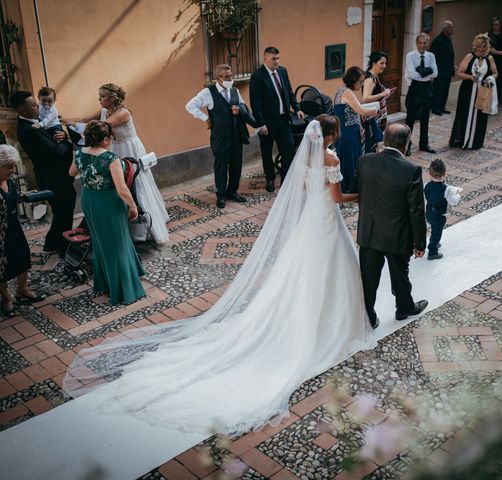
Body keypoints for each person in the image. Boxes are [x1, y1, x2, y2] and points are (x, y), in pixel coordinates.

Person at [63, 116, 376, 435]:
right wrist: (362, 195)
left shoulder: (306, 156)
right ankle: (325, 323)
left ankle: (302, 314)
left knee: (300, 273)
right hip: (325, 220)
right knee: (329, 270)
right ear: (333, 135)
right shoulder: (330, 158)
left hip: (310, 222)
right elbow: (337, 198)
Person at [65, 84, 169, 244]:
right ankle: (124, 222)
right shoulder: (104, 111)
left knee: (135, 184)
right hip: (116, 148)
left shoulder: (123, 113)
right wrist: (67, 120)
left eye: (102, 96)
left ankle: (142, 227)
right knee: (119, 182)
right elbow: (85, 120)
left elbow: (100, 127)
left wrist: (75, 129)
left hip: (130, 149)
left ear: (112, 98)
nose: (99, 99)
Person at [351, 123, 428, 328]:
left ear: (385, 140)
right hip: (397, 234)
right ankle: (404, 308)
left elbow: (354, 189)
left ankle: (369, 317)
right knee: (400, 274)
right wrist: (420, 242)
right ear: (405, 144)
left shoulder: (364, 160)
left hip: (369, 232)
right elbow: (416, 210)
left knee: (368, 278)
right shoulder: (411, 170)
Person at [69, 121, 145, 305]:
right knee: (117, 242)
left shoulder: (79, 153)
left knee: (101, 240)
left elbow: (71, 172)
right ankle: (123, 287)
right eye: (110, 138)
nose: (112, 140)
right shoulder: (111, 158)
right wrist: (133, 207)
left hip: (89, 199)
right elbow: (122, 189)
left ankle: (108, 280)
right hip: (108, 202)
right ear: (105, 139)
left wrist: (88, 172)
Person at [10, 91, 76, 255]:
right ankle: (62, 246)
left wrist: (61, 136)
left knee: (62, 209)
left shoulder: (34, 120)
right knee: (64, 208)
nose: (38, 106)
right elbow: (56, 151)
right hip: (54, 177)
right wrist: (68, 142)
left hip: (56, 175)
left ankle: (53, 242)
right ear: (22, 111)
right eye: (33, 105)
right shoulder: (28, 130)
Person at [186, 64, 258, 209]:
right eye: (227, 77)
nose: (230, 78)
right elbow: (190, 106)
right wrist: (206, 118)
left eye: (231, 75)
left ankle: (232, 192)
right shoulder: (208, 92)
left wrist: (240, 110)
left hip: (236, 134)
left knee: (236, 165)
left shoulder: (235, 91)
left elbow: (244, 107)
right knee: (221, 166)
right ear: (218, 78)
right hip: (220, 136)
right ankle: (221, 195)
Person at [249, 46, 305, 192]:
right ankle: (270, 179)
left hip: (284, 120)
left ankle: (286, 180)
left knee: (288, 151)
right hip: (267, 123)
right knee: (267, 152)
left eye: (278, 58)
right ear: (265, 59)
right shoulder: (257, 76)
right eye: (274, 59)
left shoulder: (282, 71)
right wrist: (261, 124)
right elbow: (255, 103)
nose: (277, 61)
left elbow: (289, 91)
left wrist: (297, 109)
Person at [0, 145, 46, 318]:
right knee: (2, 266)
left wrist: (24, 195)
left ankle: (22, 289)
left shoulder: (9, 181)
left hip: (14, 227)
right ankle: (6, 299)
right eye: (8, 166)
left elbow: (13, 197)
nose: (12, 170)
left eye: (13, 166)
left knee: (22, 257)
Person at [334, 66, 380, 192]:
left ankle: (350, 186)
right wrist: (376, 109)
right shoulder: (347, 93)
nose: (361, 85)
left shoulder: (343, 90)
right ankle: (349, 187)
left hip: (348, 131)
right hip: (348, 133)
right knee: (350, 159)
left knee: (351, 158)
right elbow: (361, 111)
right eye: (360, 82)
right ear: (352, 80)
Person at [449, 34, 498, 150]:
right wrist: (471, 77)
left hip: (482, 91)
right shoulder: (469, 57)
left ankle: (476, 142)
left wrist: (490, 78)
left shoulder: (490, 58)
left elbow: (495, 73)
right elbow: (459, 73)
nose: (481, 49)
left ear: (487, 47)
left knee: (481, 115)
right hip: (468, 90)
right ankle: (462, 140)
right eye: (479, 46)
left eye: (483, 47)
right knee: (465, 113)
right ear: (475, 46)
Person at [404, 33, 438, 154]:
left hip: (427, 89)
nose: (422, 45)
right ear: (416, 43)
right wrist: (428, 72)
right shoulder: (410, 56)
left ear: (428, 43)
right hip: (415, 89)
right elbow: (412, 74)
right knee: (410, 119)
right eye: (420, 43)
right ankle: (406, 145)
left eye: (425, 43)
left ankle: (424, 144)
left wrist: (422, 71)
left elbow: (436, 73)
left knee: (425, 118)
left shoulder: (431, 56)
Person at [423, 159, 462, 261]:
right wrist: (457, 195)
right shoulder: (447, 189)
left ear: (429, 173)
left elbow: (425, 198)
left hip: (428, 212)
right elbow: (453, 201)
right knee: (437, 232)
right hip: (439, 215)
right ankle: (432, 252)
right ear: (445, 173)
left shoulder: (426, 185)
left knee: (433, 228)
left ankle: (433, 241)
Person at [362, 51, 394, 131]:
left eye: (385, 63)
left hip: (378, 116)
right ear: (374, 63)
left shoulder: (375, 77)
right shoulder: (370, 79)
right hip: (374, 116)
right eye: (382, 63)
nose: (384, 66)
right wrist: (383, 94)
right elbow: (366, 98)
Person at [431, 21, 456, 116]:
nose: (452, 29)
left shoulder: (449, 39)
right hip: (440, 70)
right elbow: (434, 56)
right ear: (445, 29)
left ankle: (442, 106)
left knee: (445, 90)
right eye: (451, 27)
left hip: (448, 70)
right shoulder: (438, 41)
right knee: (438, 90)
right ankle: (435, 107)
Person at [488, 16, 502, 103]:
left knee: (499, 79)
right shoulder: (488, 35)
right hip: (489, 60)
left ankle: (499, 99)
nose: (495, 27)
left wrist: (495, 52)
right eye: (494, 25)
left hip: (499, 60)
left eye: (497, 25)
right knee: (489, 78)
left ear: (500, 25)